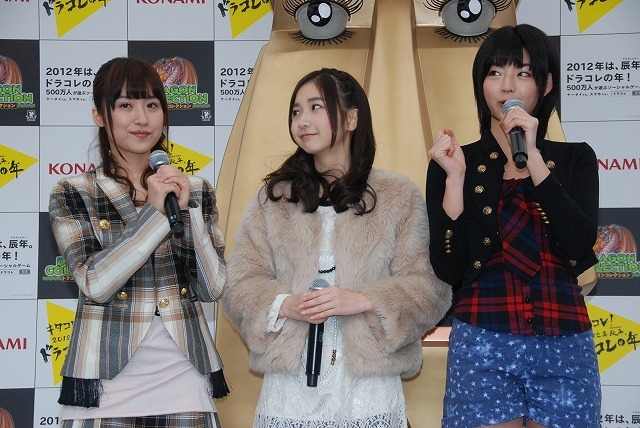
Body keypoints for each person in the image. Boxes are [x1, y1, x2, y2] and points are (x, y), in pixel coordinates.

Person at [222, 68, 452, 427]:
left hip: (368, 390)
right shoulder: (275, 200)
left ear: (351, 118)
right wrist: (286, 305)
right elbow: (238, 285)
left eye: (316, 107)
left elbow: (430, 289)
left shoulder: (398, 196)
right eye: (296, 111)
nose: (302, 120)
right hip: (290, 390)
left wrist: (362, 300)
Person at [426, 24, 601, 428]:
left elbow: (580, 244)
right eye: (495, 72)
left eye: (522, 73)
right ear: (480, 84)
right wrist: (454, 180)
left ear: (546, 84)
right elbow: (448, 267)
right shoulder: (454, 162)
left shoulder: (574, 158)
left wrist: (534, 159)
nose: (507, 86)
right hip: (482, 340)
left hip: (564, 340)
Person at [49, 56, 229, 428]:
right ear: (100, 116)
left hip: (185, 381)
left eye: (151, 105)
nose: (142, 118)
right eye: (125, 105)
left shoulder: (194, 189)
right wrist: (155, 213)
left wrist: (187, 211)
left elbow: (213, 287)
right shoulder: (74, 191)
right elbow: (95, 282)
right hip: (104, 385)